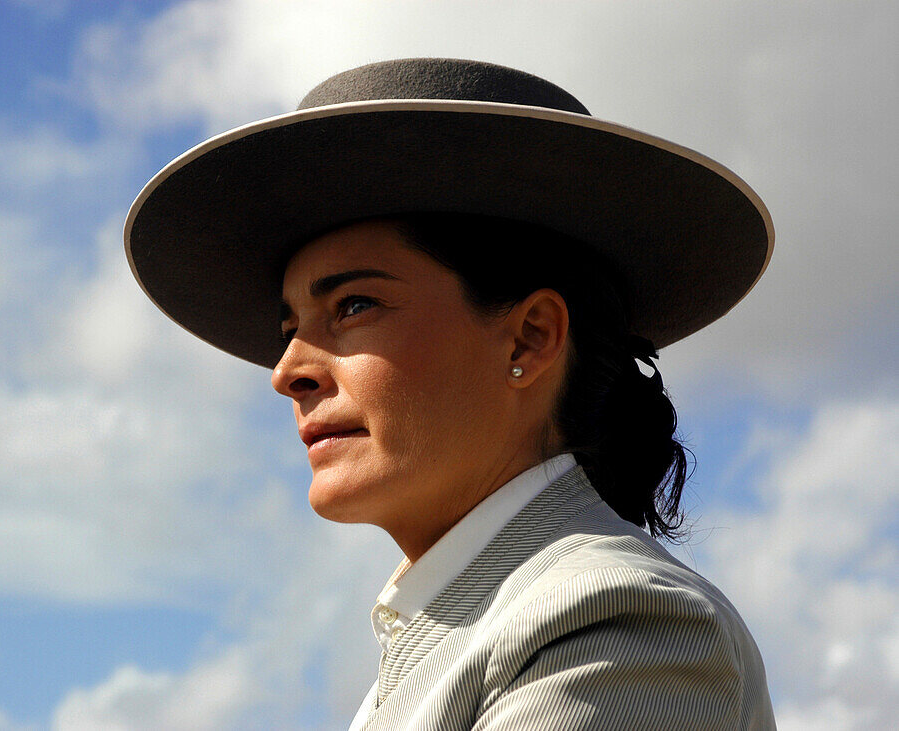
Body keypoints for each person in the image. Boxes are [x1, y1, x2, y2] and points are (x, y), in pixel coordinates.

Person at [125, 58, 776, 729]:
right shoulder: (443, 644)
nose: (288, 370)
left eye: (353, 305)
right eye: (290, 328)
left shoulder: (611, 619)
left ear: (528, 338)